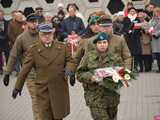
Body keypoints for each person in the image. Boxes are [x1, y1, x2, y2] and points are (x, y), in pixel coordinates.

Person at [12, 23, 76, 120]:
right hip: (43, 90)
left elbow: (71, 60)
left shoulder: (62, 47)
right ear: (39, 35)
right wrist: (17, 87)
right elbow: (24, 70)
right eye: (44, 34)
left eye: (49, 34)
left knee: (58, 116)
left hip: (59, 88)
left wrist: (69, 68)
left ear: (53, 34)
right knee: (45, 116)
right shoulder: (34, 50)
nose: (47, 36)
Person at [76, 32, 124, 120]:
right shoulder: (88, 57)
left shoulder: (115, 57)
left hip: (112, 97)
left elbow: (123, 74)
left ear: (108, 43)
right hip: (95, 97)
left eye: (104, 42)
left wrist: (117, 76)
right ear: (96, 44)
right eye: (99, 43)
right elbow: (79, 74)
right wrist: (91, 77)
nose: (102, 45)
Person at [3, 13, 41, 120]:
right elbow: (13, 55)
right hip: (31, 75)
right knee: (36, 100)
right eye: (32, 21)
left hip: (45, 74)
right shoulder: (21, 38)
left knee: (46, 100)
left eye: (36, 21)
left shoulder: (43, 35)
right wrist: (7, 73)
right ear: (27, 23)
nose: (34, 23)